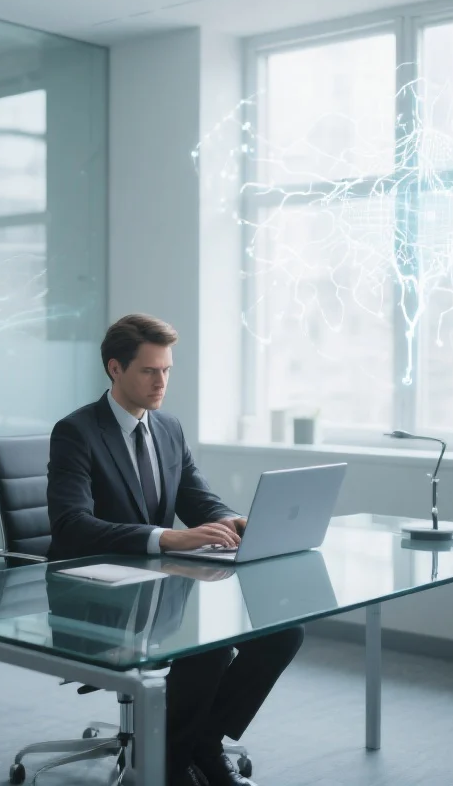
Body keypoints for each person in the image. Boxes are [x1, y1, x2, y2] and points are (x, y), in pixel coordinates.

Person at [47, 313, 304, 786]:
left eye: (166, 370)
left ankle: (199, 744)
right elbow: (71, 526)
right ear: (115, 369)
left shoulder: (168, 428)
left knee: (283, 633)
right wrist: (166, 537)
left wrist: (233, 521)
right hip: (100, 596)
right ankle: (172, 764)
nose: (161, 381)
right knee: (206, 648)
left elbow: (197, 499)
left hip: (162, 591)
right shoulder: (77, 432)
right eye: (149, 370)